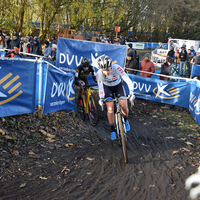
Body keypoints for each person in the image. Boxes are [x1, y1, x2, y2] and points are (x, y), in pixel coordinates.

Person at [96, 55, 135, 140]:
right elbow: (100, 87)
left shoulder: (117, 68)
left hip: (118, 87)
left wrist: (132, 92)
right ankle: (112, 130)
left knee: (124, 106)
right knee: (110, 108)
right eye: (104, 70)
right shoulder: (99, 73)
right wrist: (101, 98)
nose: (106, 72)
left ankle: (125, 120)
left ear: (111, 66)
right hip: (107, 88)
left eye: (108, 69)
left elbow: (127, 79)